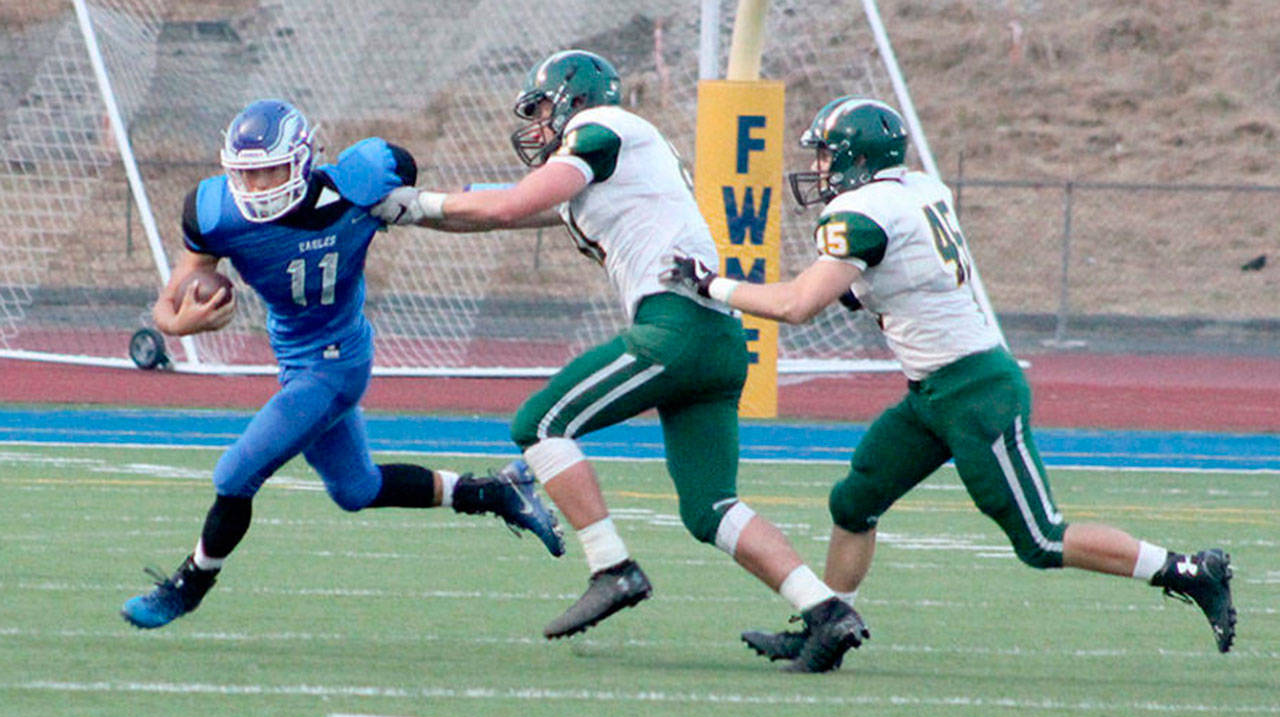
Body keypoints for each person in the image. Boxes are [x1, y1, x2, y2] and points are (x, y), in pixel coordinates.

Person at [667, 96, 1237, 660]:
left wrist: (712, 285)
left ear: (856, 158)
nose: (818, 168)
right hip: (932, 393)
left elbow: (798, 306)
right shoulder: (918, 189)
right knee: (854, 502)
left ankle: (1189, 571)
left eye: (825, 155)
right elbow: (880, 282)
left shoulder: (863, 213)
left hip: (976, 391)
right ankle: (829, 626)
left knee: (1040, 538)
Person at [373, 50, 868, 672]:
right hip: (716, 338)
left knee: (539, 423)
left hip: (676, 327)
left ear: (575, 100)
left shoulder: (601, 128)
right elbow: (494, 214)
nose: (539, 123)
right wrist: (402, 212)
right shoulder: (610, 164)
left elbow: (505, 206)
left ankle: (613, 567)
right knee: (710, 508)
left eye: (544, 108)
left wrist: (416, 203)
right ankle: (826, 611)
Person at [120, 98, 564, 630]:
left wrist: (566, 206)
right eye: (246, 173)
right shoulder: (215, 211)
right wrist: (182, 323)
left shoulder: (358, 187)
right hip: (294, 357)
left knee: (235, 474)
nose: (256, 186)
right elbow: (168, 304)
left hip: (337, 361)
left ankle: (189, 585)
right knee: (357, 489)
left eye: (269, 171)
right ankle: (494, 493)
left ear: (303, 159)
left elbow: (461, 208)